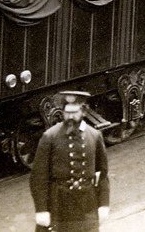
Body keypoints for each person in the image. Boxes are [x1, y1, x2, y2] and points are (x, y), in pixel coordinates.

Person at [30, 91, 110, 232]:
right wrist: (41, 209)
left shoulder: (94, 135)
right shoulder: (50, 136)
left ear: (84, 111)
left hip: (87, 205)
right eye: (67, 113)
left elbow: (102, 174)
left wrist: (103, 204)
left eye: (75, 112)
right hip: (59, 204)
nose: (71, 117)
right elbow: (38, 177)